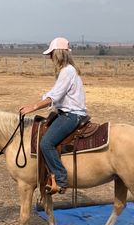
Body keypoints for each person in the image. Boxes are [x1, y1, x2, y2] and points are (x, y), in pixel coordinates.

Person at [19, 37, 87, 194]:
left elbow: (54, 96)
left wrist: (33, 107)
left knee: (46, 143)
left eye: (51, 54)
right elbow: (53, 94)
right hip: (66, 112)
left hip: (71, 115)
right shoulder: (67, 71)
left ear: (58, 54)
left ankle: (61, 179)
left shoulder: (67, 71)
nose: (49, 58)